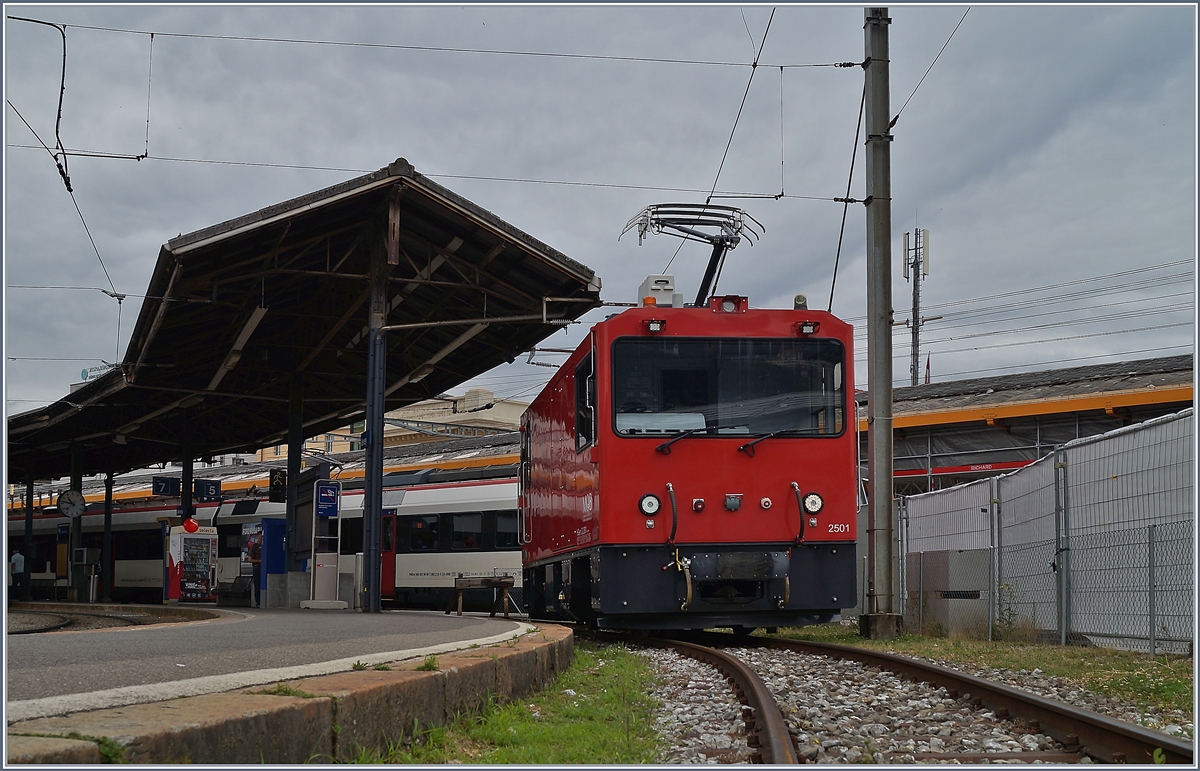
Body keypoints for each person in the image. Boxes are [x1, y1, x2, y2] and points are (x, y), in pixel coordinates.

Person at [247, 536, 262, 607]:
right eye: (260, 537)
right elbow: (250, 559)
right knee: (257, 584)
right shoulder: (255, 547)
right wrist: (259, 561)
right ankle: (258, 602)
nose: (261, 538)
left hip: (264, 567)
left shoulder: (265, 546)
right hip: (257, 567)